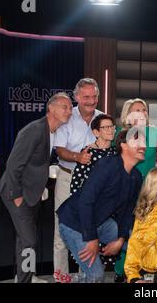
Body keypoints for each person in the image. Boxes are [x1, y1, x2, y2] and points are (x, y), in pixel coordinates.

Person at [0, 92, 72, 283]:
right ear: (51, 108)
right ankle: (24, 280)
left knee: (25, 241)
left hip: (33, 194)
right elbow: (14, 164)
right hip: (17, 193)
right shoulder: (35, 130)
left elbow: (36, 164)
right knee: (29, 241)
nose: (69, 111)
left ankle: (26, 276)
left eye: (70, 107)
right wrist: (17, 196)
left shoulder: (52, 131)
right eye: (65, 106)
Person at [57, 129, 144, 283]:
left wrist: (120, 239)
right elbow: (86, 201)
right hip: (75, 223)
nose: (143, 146)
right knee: (96, 276)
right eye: (137, 141)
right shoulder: (108, 165)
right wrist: (91, 238)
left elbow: (129, 213)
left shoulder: (136, 176)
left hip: (101, 222)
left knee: (138, 244)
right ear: (123, 145)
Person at [52, 78, 102, 282]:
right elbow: (60, 149)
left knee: (90, 228)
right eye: (86, 97)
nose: (91, 101)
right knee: (61, 231)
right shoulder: (67, 116)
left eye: (94, 96)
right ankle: (61, 277)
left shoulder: (103, 118)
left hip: (92, 183)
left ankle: (86, 275)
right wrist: (78, 157)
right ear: (77, 97)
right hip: (67, 177)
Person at [114, 98, 157, 281]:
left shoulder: (154, 133)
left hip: (148, 190)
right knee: (125, 230)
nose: (141, 112)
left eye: (144, 110)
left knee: (144, 233)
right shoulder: (119, 133)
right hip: (125, 188)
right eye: (136, 110)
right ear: (127, 114)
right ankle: (121, 270)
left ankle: (140, 270)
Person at [68, 114, 117, 198]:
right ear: (96, 132)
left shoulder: (116, 151)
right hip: (91, 197)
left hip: (111, 197)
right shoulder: (88, 151)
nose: (110, 130)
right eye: (105, 127)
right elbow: (78, 178)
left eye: (112, 126)